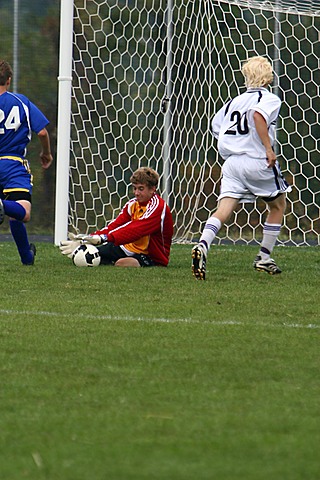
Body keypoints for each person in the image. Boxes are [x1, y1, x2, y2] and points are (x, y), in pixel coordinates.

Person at [192, 56, 291, 280]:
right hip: (256, 160)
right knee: (278, 205)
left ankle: (203, 245)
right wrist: (268, 148)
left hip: (232, 163)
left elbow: (216, 127)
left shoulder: (233, 102)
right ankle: (264, 257)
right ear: (267, 78)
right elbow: (258, 116)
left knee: (224, 208)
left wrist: (235, 143)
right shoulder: (269, 98)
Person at [60, 167, 174, 267]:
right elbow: (115, 225)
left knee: (121, 263)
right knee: (92, 254)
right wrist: (88, 239)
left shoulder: (158, 207)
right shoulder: (132, 204)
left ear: (153, 189)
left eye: (141, 188)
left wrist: (104, 238)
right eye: (134, 188)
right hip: (127, 249)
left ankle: (120, 261)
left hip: (152, 257)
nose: (136, 193)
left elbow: (136, 229)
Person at [0, 60, 53, 265]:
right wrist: (46, 153)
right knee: (22, 212)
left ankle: (27, 258)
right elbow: (41, 131)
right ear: (9, 80)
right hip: (13, 164)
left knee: (13, 213)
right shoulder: (20, 101)